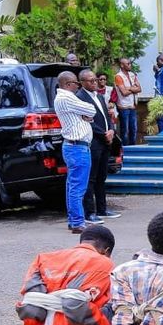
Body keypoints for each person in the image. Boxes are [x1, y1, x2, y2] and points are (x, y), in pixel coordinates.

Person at [16, 225, 116, 325]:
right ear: (106, 251)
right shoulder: (105, 264)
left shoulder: (42, 259)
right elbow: (80, 312)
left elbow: (32, 309)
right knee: (118, 300)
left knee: (37, 300)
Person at [77, 69, 121, 225]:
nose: (95, 82)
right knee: (91, 178)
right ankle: (90, 212)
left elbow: (106, 117)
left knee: (102, 176)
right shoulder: (80, 98)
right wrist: (104, 133)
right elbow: (88, 121)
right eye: (91, 81)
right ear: (82, 82)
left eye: (95, 79)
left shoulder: (100, 96)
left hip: (105, 141)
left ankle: (102, 209)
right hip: (94, 141)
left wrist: (111, 130)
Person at [55, 71, 96, 233]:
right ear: (67, 84)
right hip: (77, 146)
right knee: (78, 187)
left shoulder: (65, 98)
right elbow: (91, 109)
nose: (77, 86)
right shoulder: (66, 97)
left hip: (76, 146)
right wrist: (86, 114)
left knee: (73, 185)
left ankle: (74, 220)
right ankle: (77, 222)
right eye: (75, 84)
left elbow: (89, 115)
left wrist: (86, 115)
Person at [114, 58, 141, 146]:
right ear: (122, 65)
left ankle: (132, 149)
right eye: (128, 63)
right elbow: (124, 93)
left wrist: (129, 88)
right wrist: (133, 88)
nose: (130, 65)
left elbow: (140, 89)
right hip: (124, 107)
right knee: (125, 131)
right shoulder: (118, 76)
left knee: (134, 129)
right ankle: (124, 151)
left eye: (130, 63)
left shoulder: (132, 75)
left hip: (133, 106)